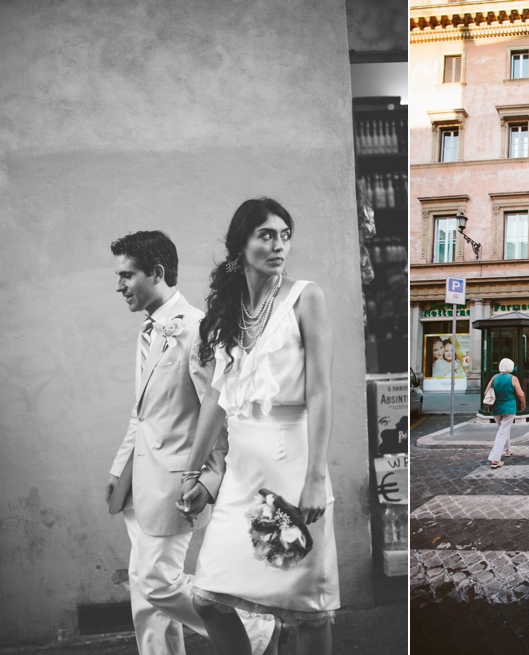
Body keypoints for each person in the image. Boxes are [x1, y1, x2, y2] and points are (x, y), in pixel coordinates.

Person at [178, 198, 340, 655]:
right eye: (266, 235)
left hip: (294, 462)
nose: (279, 245)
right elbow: (216, 397)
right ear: (240, 244)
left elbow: (321, 391)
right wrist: (193, 474)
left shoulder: (306, 297)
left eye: (285, 235)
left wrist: (315, 478)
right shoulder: (227, 315)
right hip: (241, 474)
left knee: (306, 608)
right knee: (209, 597)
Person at [106, 231, 273, 655]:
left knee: (157, 582)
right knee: (145, 594)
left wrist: (207, 479)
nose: (119, 285)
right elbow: (141, 413)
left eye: (127, 275)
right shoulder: (147, 331)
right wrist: (118, 470)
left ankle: (255, 630)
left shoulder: (199, 330)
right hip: (138, 482)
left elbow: (218, 415)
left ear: (157, 273)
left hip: (174, 482)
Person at [483, 358, 526, 469]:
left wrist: (489, 406)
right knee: (502, 432)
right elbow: (520, 394)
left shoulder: (494, 378)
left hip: (496, 409)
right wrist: (523, 403)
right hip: (509, 409)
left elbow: (486, 393)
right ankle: (495, 459)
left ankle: (508, 450)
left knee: (503, 429)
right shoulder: (513, 378)